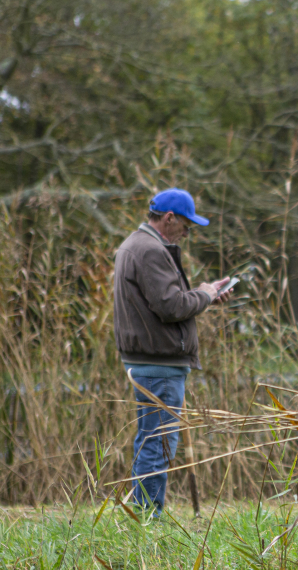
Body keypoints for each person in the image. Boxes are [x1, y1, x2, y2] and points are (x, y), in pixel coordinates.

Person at [113, 188, 229, 516]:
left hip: (149, 361)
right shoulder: (150, 250)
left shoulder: (134, 245)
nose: (187, 233)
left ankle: (141, 513)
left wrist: (204, 295)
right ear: (169, 218)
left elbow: (164, 301)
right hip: (159, 364)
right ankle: (148, 518)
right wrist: (204, 295)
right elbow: (171, 305)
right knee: (160, 444)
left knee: (150, 439)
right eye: (186, 226)